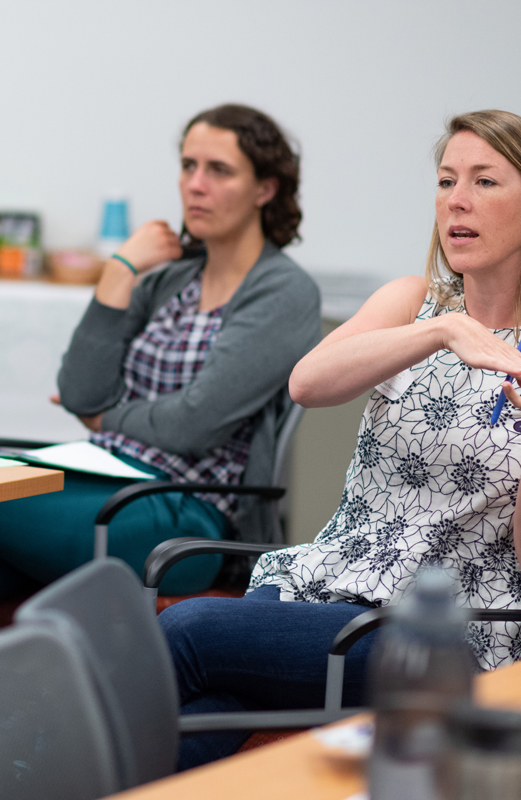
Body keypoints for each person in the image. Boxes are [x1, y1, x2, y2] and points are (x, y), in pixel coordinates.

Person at [160, 109, 521, 768]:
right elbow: (308, 383)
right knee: (201, 720)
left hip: (446, 634)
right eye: (445, 181)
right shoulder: (414, 304)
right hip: (321, 594)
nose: (456, 201)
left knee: (189, 628)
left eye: (485, 182)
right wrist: (440, 332)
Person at [0, 104, 321, 598]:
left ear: (265, 188)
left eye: (219, 170)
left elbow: (193, 424)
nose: (195, 184)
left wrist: (106, 420)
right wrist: (120, 270)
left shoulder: (283, 291)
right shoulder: (172, 277)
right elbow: (81, 392)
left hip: (183, 515)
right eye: (189, 166)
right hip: (100, 475)